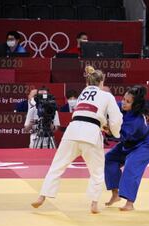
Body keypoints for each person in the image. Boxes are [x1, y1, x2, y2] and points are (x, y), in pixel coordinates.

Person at [31, 66, 123, 213]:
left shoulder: (83, 93)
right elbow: (116, 120)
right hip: (91, 134)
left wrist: (103, 125)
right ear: (102, 82)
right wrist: (115, 133)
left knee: (57, 166)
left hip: (72, 132)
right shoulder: (107, 96)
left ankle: (42, 196)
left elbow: (88, 112)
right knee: (97, 171)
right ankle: (94, 204)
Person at [105, 85, 149, 211]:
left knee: (131, 165)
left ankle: (130, 203)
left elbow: (120, 135)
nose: (123, 103)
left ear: (135, 105)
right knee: (109, 159)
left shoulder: (136, 120)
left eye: (128, 102)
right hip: (130, 142)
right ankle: (115, 194)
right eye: (124, 99)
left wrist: (108, 130)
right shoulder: (120, 106)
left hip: (146, 144)